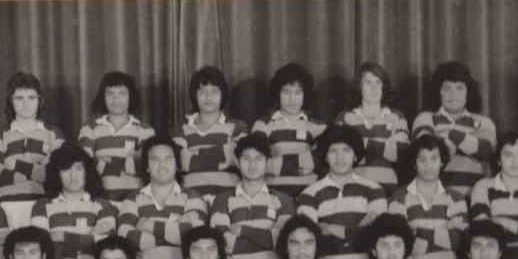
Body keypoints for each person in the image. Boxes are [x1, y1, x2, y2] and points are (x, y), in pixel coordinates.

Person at [388, 134, 468, 259]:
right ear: (414, 163)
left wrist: (418, 232)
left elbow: (460, 242)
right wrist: (444, 231)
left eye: (434, 159)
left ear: (442, 162)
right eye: (422, 159)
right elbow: (402, 245)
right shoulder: (399, 197)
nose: (428, 165)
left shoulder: (456, 197)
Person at [117, 135, 208, 259]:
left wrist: (147, 225)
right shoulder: (132, 198)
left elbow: (196, 237)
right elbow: (125, 238)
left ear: (177, 165)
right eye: (155, 160)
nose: (162, 165)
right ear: (146, 166)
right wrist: (176, 229)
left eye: (168, 159)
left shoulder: (193, 196)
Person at [296, 124, 387, 259]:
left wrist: (330, 229)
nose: (340, 157)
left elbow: (378, 237)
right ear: (325, 155)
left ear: (356, 155)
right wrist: (358, 232)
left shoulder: (373, 190)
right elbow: (311, 243)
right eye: (333, 151)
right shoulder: (309, 194)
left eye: (346, 150)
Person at [30, 142, 117, 259]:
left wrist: (62, 237)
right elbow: (41, 247)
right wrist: (89, 242)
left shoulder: (103, 206)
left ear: (87, 172)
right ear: (56, 173)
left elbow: (106, 247)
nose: (73, 175)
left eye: (78, 168)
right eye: (66, 169)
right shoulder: (42, 206)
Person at [210, 134, 295, 259]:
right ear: (237, 162)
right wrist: (267, 240)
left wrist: (243, 231)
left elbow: (281, 241)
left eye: (259, 159)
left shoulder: (283, 200)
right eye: (246, 159)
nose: (252, 165)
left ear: (267, 162)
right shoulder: (222, 200)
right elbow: (222, 244)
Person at [0, 72, 65, 228]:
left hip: (44, 206)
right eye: (19, 98)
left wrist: (14, 164)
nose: (26, 104)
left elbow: (53, 177)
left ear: (40, 100)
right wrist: (37, 170)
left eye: (31, 98)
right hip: (8, 207)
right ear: (11, 101)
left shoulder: (54, 134)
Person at [412, 61, 497, 200]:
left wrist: (449, 134)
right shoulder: (425, 118)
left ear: (468, 91)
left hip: (476, 198)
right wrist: (471, 141)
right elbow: (426, 148)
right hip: (435, 198)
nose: (453, 94)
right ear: (438, 92)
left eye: (459, 88)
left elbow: (487, 150)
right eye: (447, 88)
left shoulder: (485, 122)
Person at [171, 66, 249, 202]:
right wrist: (224, 156)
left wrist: (193, 154)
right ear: (194, 95)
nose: (209, 97)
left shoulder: (237, 127)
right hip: (189, 200)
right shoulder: (180, 129)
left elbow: (239, 159)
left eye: (214, 91)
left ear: (222, 94)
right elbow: (182, 161)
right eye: (203, 91)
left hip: (230, 199)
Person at [79, 71, 156, 203]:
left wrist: (105, 161)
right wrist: (129, 163)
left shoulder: (144, 130)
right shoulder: (89, 128)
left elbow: (148, 167)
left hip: (135, 202)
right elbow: (85, 166)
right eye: (110, 94)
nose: (116, 100)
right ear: (103, 97)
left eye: (122, 93)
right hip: (99, 202)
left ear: (130, 96)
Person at [334, 61, 410, 195]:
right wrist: (385, 147)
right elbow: (338, 156)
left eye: (378, 82)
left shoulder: (397, 116)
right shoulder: (345, 116)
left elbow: (400, 154)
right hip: (352, 191)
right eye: (368, 82)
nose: (374, 88)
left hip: (388, 192)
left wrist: (362, 143)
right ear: (359, 87)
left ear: (383, 87)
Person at [251, 63, 326, 198]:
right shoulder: (263, 124)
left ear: (305, 94)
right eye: (286, 92)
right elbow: (259, 162)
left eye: (298, 92)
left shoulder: (318, 126)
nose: (292, 99)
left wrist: (276, 165)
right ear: (277, 94)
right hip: (272, 196)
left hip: (309, 196)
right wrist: (304, 169)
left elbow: (321, 161)